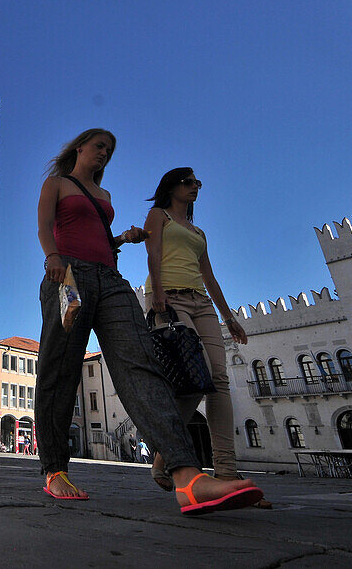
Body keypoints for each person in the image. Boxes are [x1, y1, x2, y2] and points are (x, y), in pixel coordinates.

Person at [36, 129, 263, 515]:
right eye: (99, 146)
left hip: (110, 279)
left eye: (110, 150)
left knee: (141, 364)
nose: (105, 153)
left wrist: (122, 238)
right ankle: (55, 469)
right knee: (60, 370)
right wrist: (52, 256)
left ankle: (187, 477)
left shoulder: (104, 197)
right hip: (68, 277)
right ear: (79, 147)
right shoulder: (56, 183)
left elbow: (100, 240)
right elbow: (45, 227)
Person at [141, 167, 271, 509]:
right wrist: (157, 295)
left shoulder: (198, 231)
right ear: (172, 187)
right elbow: (152, 253)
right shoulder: (158, 214)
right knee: (194, 380)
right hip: (169, 297)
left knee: (219, 379)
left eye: (198, 183)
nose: (195, 187)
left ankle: (227, 475)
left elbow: (209, 275)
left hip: (202, 303)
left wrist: (230, 319)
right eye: (188, 182)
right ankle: (168, 453)